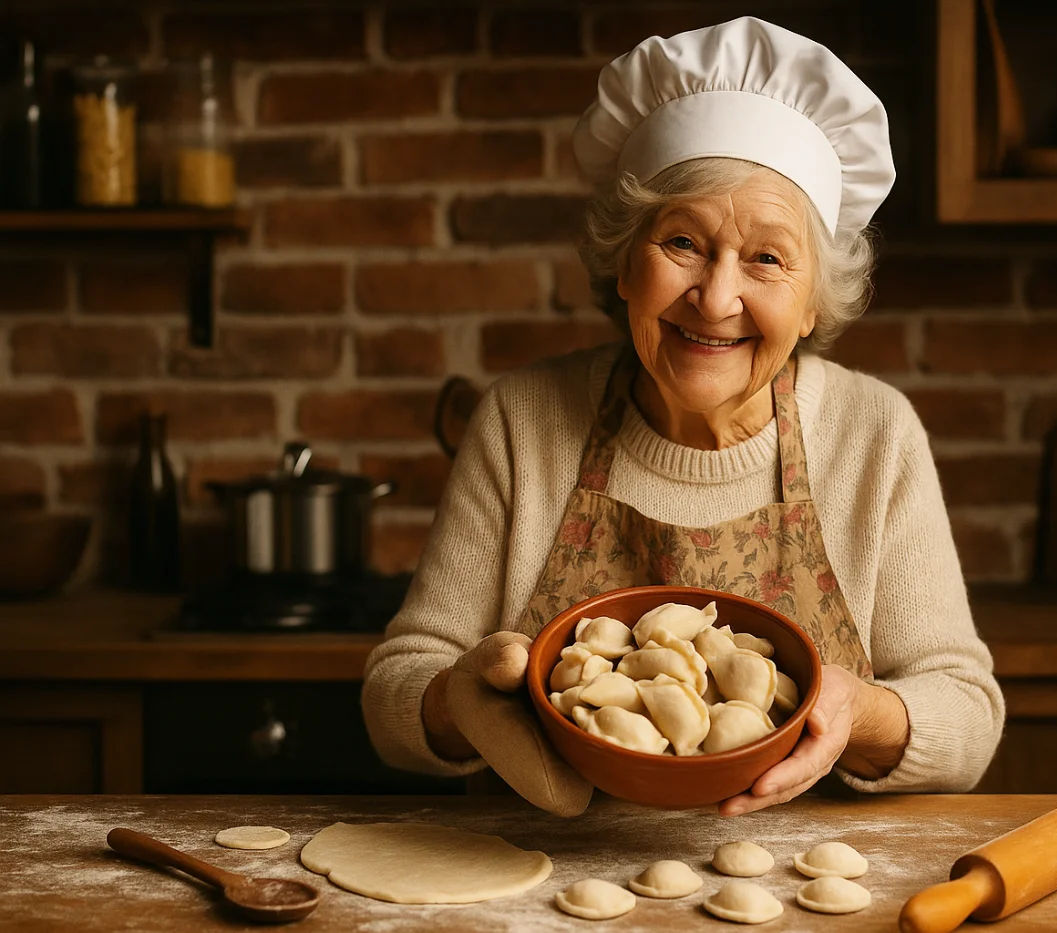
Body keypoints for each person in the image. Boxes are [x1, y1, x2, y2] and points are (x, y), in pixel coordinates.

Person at [362, 16, 1003, 817]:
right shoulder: (523, 421)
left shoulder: (873, 433)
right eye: (682, 242)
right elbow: (395, 689)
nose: (717, 297)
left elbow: (969, 715)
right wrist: (459, 697)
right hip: (539, 882)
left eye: (767, 257)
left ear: (811, 304)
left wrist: (861, 711)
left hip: (798, 890)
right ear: (625, 262)